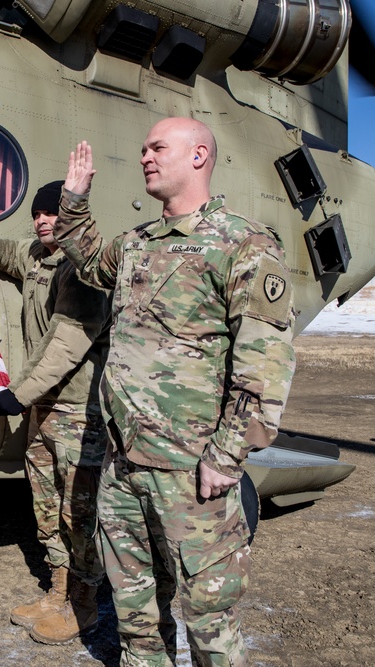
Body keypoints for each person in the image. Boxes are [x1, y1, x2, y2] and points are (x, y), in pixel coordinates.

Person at [53, 121, 296, 665]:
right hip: (123, 467)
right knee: (137, 617)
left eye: (158, 148)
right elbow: (90, 260)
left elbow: (264, 364)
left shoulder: (244, 244)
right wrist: (74, 201)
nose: (145, 157)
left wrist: (227, 455)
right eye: (142, 148)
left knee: (209, 617)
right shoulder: (138, 244)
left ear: (199, 155)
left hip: (191, 471)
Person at [0, 181, 111, 645]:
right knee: (47, 508)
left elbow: (67, 343)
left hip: (77, 412)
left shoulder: (86, 272)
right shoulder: (38, 255)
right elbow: (14, 254)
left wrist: (17, 393)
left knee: (78, 513)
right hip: (44, 409)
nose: (44, 220)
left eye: (53, 213)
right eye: (38, 214)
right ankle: (59, 590)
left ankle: (85, 606)